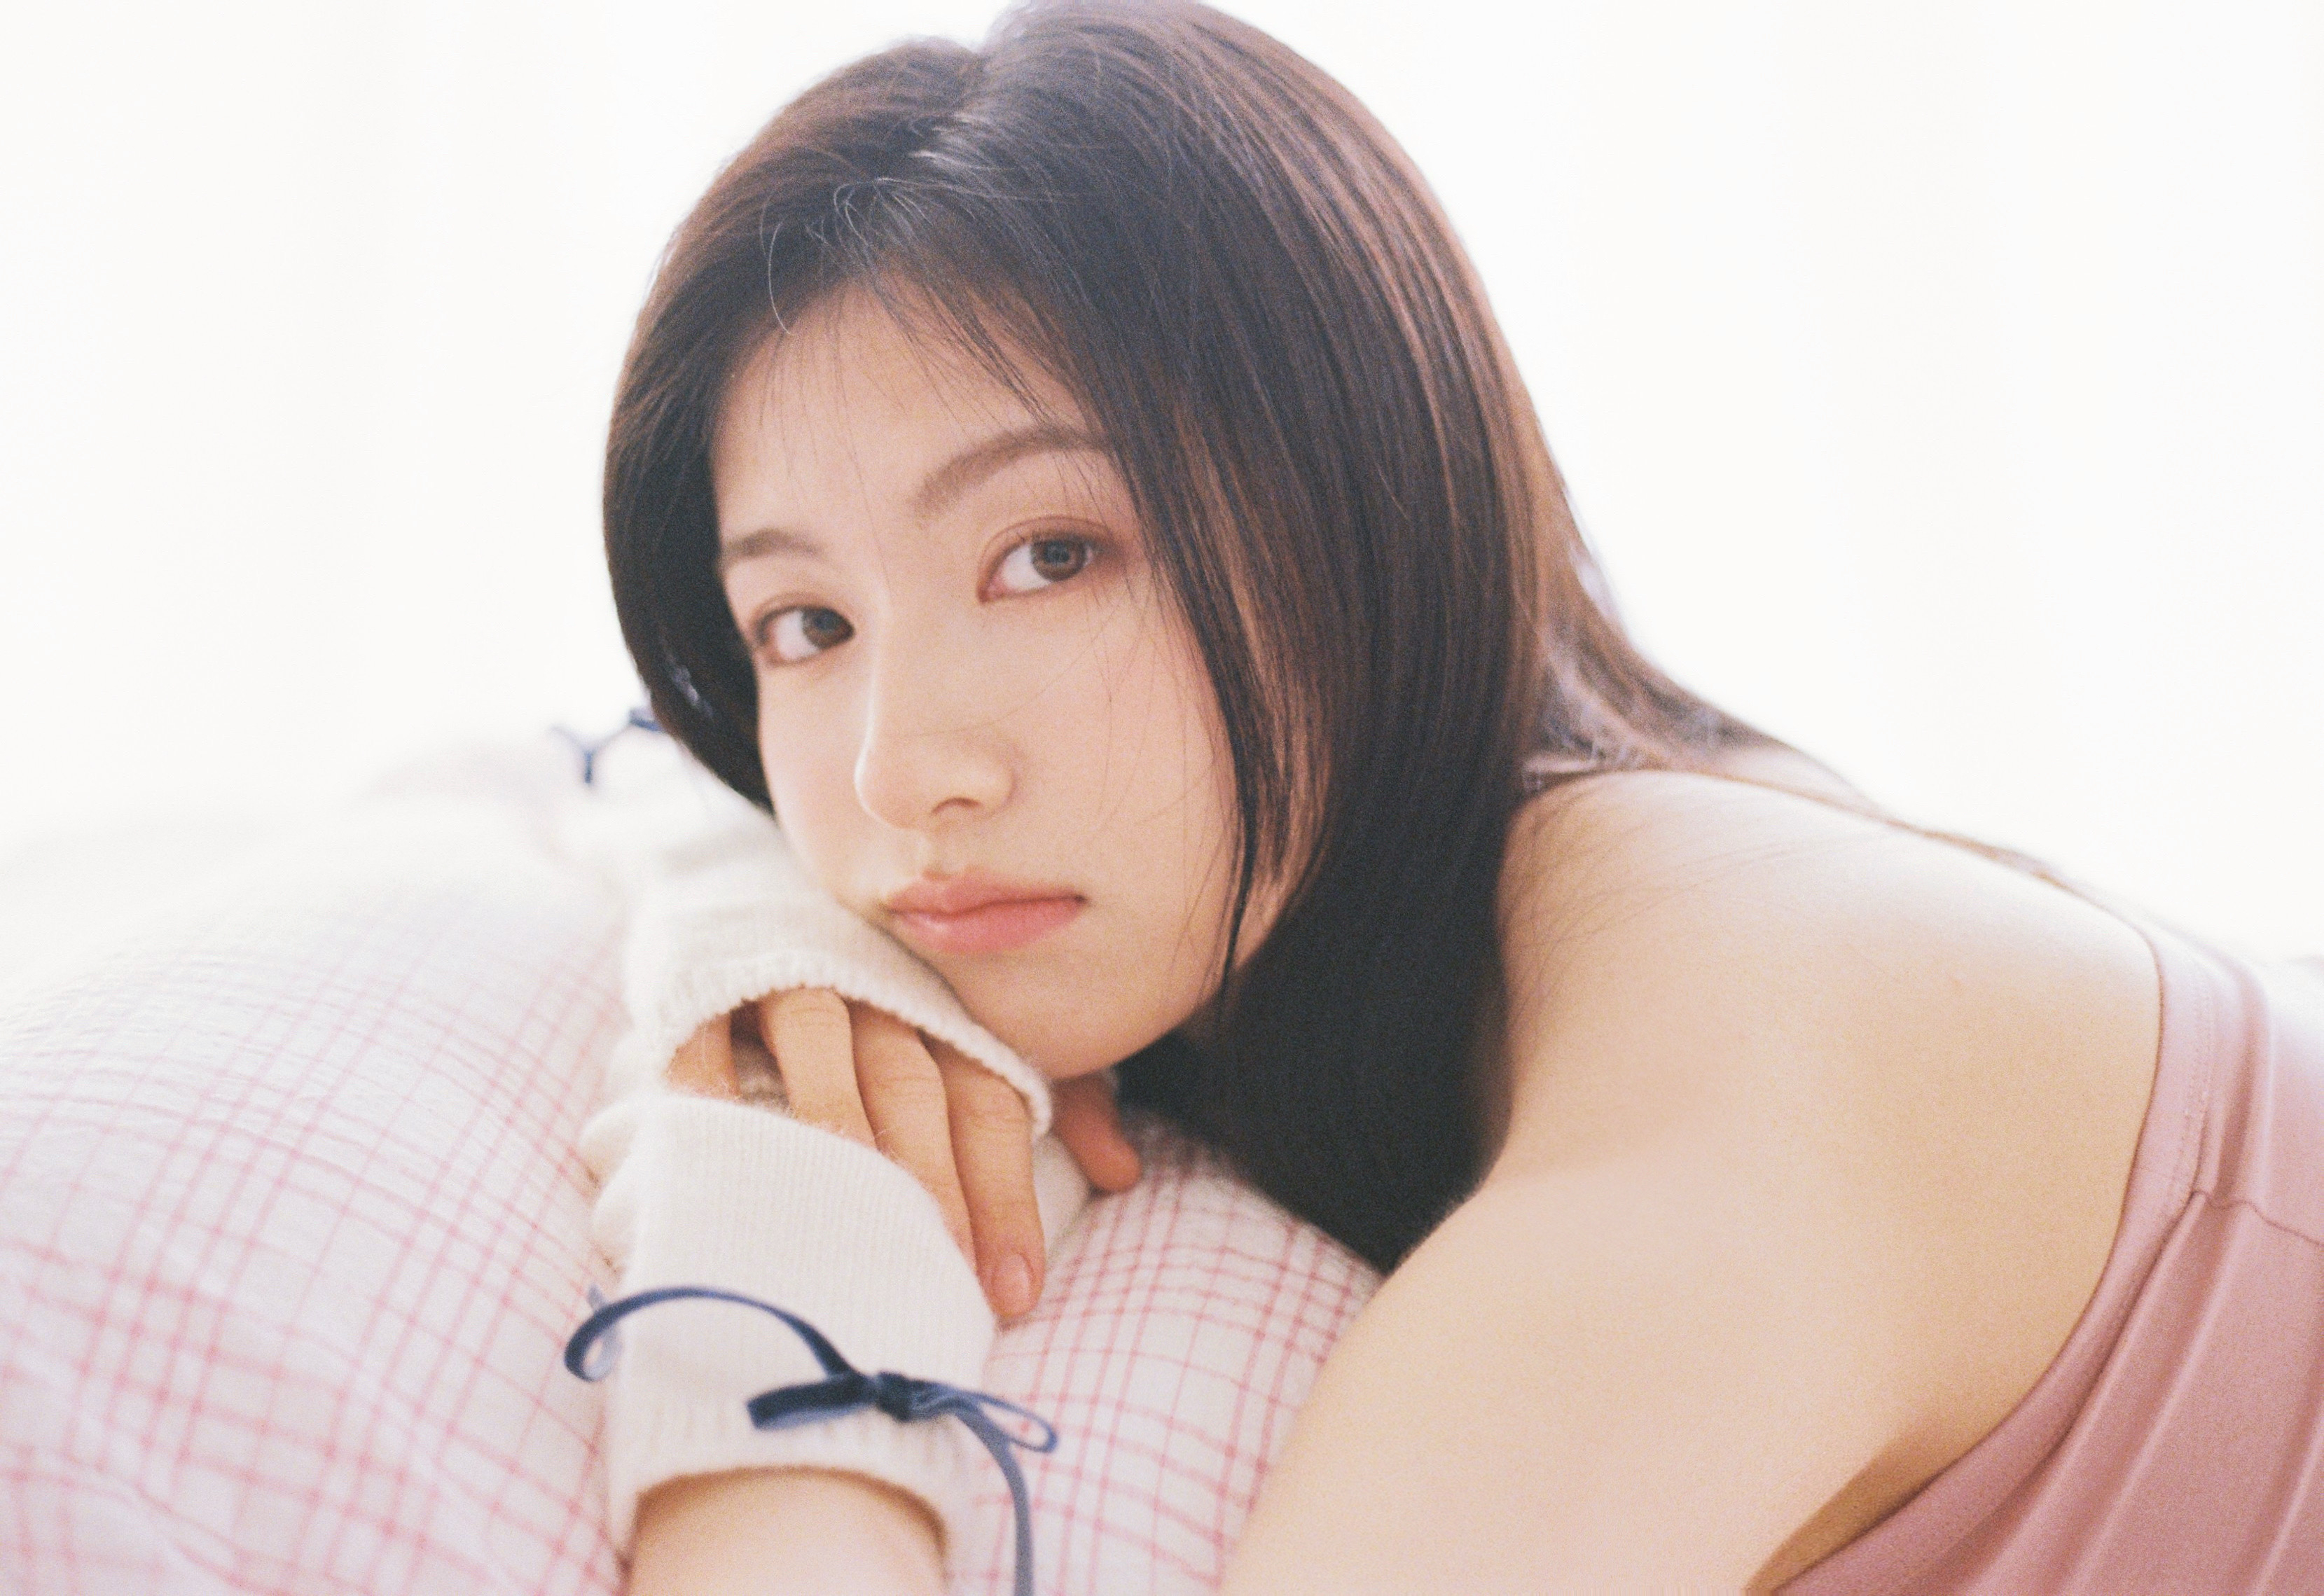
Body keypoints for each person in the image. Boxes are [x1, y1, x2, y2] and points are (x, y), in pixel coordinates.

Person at [577, 1, 2324, 1590]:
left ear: (1370, 502)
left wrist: (770, 1385)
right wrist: (778, 952)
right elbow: (604, 768)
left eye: (1052, 555)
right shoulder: (1403, 960)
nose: (899, 773)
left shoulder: (1744, 1037)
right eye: (807, 625)